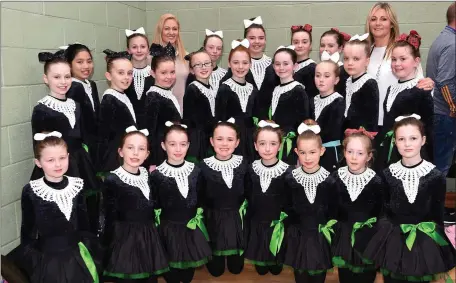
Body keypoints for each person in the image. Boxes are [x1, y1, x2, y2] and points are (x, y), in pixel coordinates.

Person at [363, 115, 456, 283]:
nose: (407, 144)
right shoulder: (387, 174)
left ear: (423, 140)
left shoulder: (435, 176)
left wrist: (436, 250)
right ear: (394, 142)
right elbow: (382, 211)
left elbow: (437, 215)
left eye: (413, 138)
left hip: (423, 245)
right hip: (393, 242)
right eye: (401, 139)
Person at [7, 133, 101, 283]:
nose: (58, 164)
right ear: (38, 162)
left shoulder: (77, 185)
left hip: (76, 257)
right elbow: (28, 232)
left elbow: (85, 225)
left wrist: (89, 250)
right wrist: (35, 261)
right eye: (50, 160)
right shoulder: (31, 191)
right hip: (48, 260)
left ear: (69, 156)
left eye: (62, 158)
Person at [32, 50, 100, 233]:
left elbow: (83, 134)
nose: (63, 82)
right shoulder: (41, 109)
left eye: (67, 76)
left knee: (85, 208)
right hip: (59, 165)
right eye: (57, 77)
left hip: (79, 162)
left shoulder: (75, 104)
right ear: (46, 79)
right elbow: (39, 147)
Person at [102, 127, 169, 283]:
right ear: (120, 151)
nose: (135, 153)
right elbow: (107, 214)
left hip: (148, 235)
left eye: (141, 149)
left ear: (147, 154)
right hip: (125, 238)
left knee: (150, 277)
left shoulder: (147, 174)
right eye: (130, 148)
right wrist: (108, 245)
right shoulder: (113, 179)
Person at [150, 122, 212, 283]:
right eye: (172, 144)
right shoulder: (156, 175)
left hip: (191, 229)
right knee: (172, 274)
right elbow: (155, 203)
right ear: (163, 146)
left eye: (183, 144)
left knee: (187, 276)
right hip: (168, 231)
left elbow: (201, 196)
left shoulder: (196, 170)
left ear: (188, 145)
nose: (178, 149)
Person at [280, 120, 336, 283]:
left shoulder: (330, 180)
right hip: (298, 235)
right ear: (296, 152)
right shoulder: (290, 178)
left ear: (322, 151)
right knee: (301, 274)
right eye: (303, 152)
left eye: (312, 152)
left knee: (319, 274)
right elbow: (287, 206)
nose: (307, 157)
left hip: (320, 235)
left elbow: (333, 209)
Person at [365, 2, 434, 127]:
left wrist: (428, 83)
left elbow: (419, 83)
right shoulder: (366, 51)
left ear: (392, 23)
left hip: (396, 124)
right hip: (369, 123)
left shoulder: (402, 50)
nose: (377, 23)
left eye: (384, 19)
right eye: (373, 19)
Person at [330, 128, 383, 283]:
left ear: (369, 156)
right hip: (343, 237)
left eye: (360, 153)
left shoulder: (376, 181)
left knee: (366, 275)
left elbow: (380, 212)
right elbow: (331, 207)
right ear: (344, 152)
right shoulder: (335, 177)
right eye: (350, 152)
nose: (354, 157)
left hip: (367, 239)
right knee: (345, 275)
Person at [376, 31, 433, 171]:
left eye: (403, 59)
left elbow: (429, 127)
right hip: (390, 151)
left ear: (416, 61)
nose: (397, 64)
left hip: (411, 155)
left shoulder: (421, 88)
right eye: (394, 59)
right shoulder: (391, 88)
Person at [199, 121, 249, 277]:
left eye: (230, 139)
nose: (225, 144)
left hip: (236, 220)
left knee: (236, 269)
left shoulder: (244, 163)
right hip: (214, 221)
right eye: (219, 139)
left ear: (237, 142)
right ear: (212, 141)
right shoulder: (202, 166)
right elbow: (200, 196)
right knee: (216, 271)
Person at [244, 120, 291, 276]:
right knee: (261, 269)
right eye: (262, 143)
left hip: (277, 226)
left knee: (276, 269)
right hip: (257, 224)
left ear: (279, 145)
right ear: (256, 146)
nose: (267, 148)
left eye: (273, 143)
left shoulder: (288, 171)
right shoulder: (250, 168)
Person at [263, 46, 310, 165]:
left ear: (295, 66)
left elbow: (303, 123)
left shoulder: (298, 90)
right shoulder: (275, 89)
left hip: (290, 147)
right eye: (277, 64)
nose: (281, 68)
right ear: (273, 66)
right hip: (275, 144)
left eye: (285, 63)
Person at [216, 40, 260, 163]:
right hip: (231, 141)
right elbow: (220, 118)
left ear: (250, 64)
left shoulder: (253, 90)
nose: (240, 67)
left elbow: (257, 117)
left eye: (245, 63)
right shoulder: (224, 88)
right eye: (236, 62)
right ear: (229, 63)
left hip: (250, 142)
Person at [426, 2, 456, 176]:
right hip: (445, 115)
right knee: (441, 168)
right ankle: (436, 203)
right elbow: (444, 81)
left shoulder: (443, 38)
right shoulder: (452, 44)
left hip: (440, 113)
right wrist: (453, 107)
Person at [97, 49, 136, 174]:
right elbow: (104, 137)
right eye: (120, 73)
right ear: (109, 76)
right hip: (116, 161)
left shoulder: (122, 95)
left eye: (129, 73)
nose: (126, 77)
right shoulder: (109, 100)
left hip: (127, 156)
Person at [145, 44, 181, 170]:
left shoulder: (166, 93)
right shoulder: (153, 96)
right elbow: (150, 131)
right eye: (163, 73)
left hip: (170, 151)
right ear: (153, 73)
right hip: (160, 155)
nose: (169, 77)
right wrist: (152, 161)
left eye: (172, 72)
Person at [64, 43, 100, 165]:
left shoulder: (91, 84)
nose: (86, 66)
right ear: (69, 64)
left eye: (89, 61)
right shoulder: (73, 88)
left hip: (94, 144)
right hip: (82, 148)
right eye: (79, 62)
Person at [183, 49, 217, 162]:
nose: (203, 67)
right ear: (192, 70)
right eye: (198, 65)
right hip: (198, 143)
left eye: (207, 63)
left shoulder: (211, 88)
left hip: (209, 139)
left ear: (212, 65)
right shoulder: (192, 89)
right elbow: (189, 120)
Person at [342, 34, 379, 133]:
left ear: (367, 61)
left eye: (356, 59)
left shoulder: (369, 83)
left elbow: (372, 116)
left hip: (362, 138)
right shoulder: (347, 81)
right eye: (346, 58)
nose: (350, 63)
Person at [313, 60, 345, 172]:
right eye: (318, 75)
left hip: (330, 153)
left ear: (336, 80)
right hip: (312, 152)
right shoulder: (313, 100)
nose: (321, 80)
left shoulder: (338, 101)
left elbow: (332, 130)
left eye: (327, 76)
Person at [152, 14, 188, 110]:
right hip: (159, 113)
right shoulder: (151, 56)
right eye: (167, 28)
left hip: (181, 112)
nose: (171, 32)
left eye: (174, 29)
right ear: (160, 30)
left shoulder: (185, 57)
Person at [124, 27, 154, 129]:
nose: (139, 50)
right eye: (134, 47)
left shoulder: (155, 73)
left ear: (148, 49)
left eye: (143, 46)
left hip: (151, 127)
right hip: (128, 126)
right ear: (128, 50)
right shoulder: (123, 74)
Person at [186, 29, 227, 93]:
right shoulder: (195, 73)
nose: (215, 51)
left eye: (219, 48)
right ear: (204, 48)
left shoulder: (225, 74)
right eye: (211, 47)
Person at [319, 28, 351, 97]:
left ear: (340, 48)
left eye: (330, 46)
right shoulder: (317, 69)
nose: (325, 49)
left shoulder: (344, 71)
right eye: (322, 45)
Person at [291, 24, 318, 98]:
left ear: (310, 45)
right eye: (296, 42)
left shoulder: (313, 69)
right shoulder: (287, 65)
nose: (300, 45)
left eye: (304, 42)